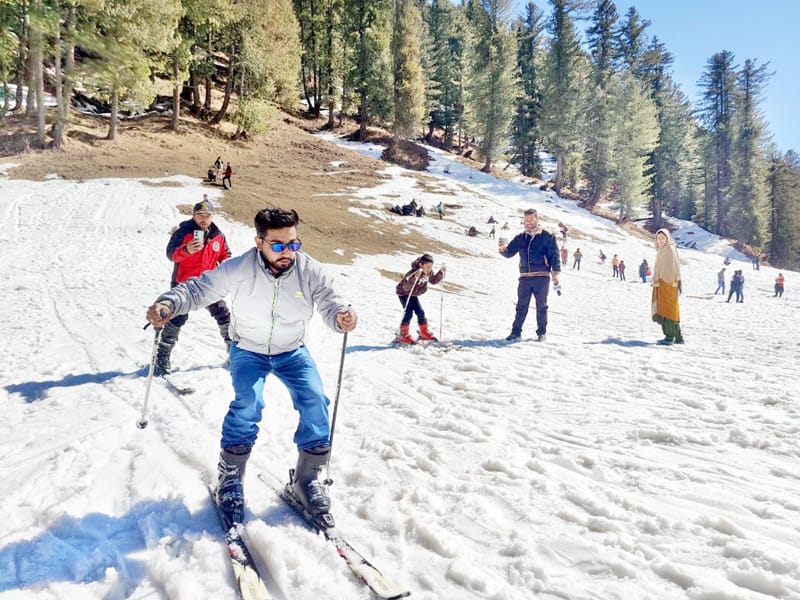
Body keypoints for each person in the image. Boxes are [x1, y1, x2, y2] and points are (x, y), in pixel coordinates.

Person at [145, 208, 358, 527]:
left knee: (315, 400)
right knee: (248, 403)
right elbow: (198, 289)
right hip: (248, 350)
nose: (288, 252)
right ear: (259, 241)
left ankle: (307, 479)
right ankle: (230, 476)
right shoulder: (239, 267)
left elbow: (331, 300)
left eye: (293, 244)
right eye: (278, 245)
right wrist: (170, 303)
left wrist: (342, 315)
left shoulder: (309, 269)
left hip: (291, 351)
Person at [154, 199, 231, 376]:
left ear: (212, 216)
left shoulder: (218, 235)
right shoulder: (183, 232)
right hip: (183, 284)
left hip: (208, 283)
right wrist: (186, 250)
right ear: (193, 216)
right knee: (177, 319)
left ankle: (234, 353)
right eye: (200, 215)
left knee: (223, 314)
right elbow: (171, 254)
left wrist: (225, 264)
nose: (204, 219)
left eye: (207, 216)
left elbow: (225, 254)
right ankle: (162, 357)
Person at [498, 208, 561, 342]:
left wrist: (555, 272)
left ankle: (541, 333)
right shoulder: (521, 237)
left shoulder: (547, 236)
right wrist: (502, 249)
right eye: (526, 220)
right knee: (521, 305)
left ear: (536, 219)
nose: (528, 222)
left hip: (541, 276)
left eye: (531, 219)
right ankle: (515, 332)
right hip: (525, 277)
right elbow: (509, 253)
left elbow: (554, 254)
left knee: (541, 306)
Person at [395, 254, 445, 344]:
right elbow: (406, 287)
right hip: (404, 294)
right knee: (408, 312)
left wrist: (440, 272)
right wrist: (414, 278)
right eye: (427, 267)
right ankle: (403, 334)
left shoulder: (428, 272)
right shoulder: (413, 272)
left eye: (431, 267)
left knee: (420, 312)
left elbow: (433, 280)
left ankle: (424, 333)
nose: (429, 269)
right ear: (421, 265)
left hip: (413, 294)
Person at [651, 229, 684, 344]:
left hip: (668, 283)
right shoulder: (662, 249)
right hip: (662, 282)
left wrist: (673, 280)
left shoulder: (669, 249)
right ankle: (677, 336)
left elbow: (673, 267)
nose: (660, 240)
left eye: (662, 238)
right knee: (667, 308)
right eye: (658, 238)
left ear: (667, 238)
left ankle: (671, 336)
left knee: (668, 309)